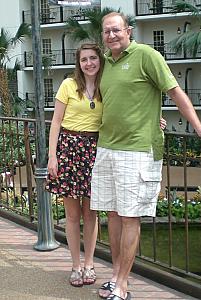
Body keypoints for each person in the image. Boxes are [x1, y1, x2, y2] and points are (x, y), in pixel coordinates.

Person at [90, 12, 201, 300]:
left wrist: (197, 126)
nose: (111, 35)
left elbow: (174, 91)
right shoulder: (107, 63)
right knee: (112, 214)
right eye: (106, 32)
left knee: (129, 217)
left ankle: (123, 285)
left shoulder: (146, 55)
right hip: (107, 148)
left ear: (128, 31)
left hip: (137, 150)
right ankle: (115, 276)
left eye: (116, 30)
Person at [46, 43, 104, 287]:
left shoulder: (106, 86)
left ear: (100, 60)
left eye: (93, 58)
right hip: (69, 150)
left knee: (91, 213)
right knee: (72, 215)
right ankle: (75, 266)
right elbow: (56, 122)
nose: (89, 63)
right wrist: (52, 156)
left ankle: (89, 264)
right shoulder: (68, 85)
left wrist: (156, 121)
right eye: (84, 60)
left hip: (96, 150)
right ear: (78, 63)